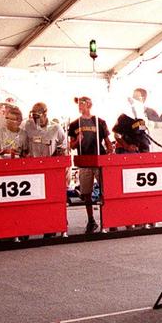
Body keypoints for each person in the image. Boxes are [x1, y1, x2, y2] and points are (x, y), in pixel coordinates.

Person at [67, 96, 111, 233]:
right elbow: (71, 145)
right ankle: (91, 219)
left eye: (83, 103)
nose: (80, 106)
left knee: (105, 190)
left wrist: (110, 153)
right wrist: (77, 140)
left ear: (90, 104)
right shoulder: (75, 124)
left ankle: (108, 218)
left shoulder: (99, 121)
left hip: (99, 159)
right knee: (86, 192)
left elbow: (107, 141)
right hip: (84, 161)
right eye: (79, 104)